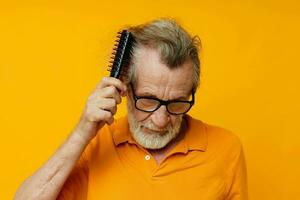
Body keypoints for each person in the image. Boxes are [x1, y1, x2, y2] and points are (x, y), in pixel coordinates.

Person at [14, 19, 248, 200]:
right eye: (148, 100)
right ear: (124, 85)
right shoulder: (96, 144)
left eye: (176, 102)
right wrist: (82, 131)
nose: (160, 120)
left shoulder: (226, 149)